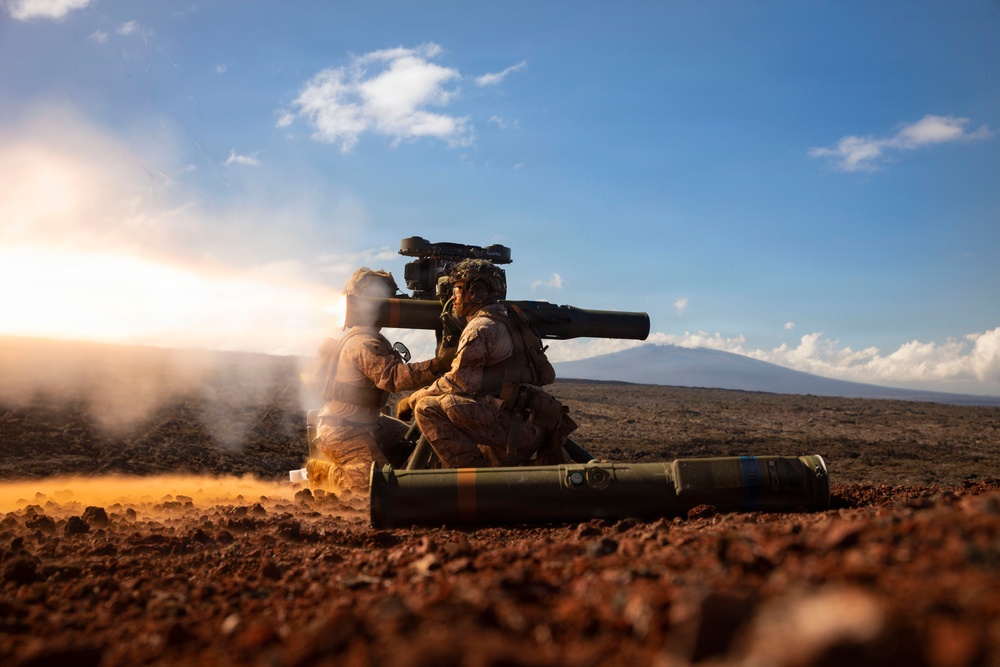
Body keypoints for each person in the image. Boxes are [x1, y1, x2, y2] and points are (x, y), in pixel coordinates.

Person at [398, 259, 576, 468]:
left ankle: (474, 481)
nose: (452, 298)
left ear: (475, 292)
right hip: (531, 423)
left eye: (456, 290)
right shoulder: (511, 321)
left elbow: (459, 383)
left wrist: (413, 398)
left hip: (516, 426)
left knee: (426, 408)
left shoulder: (481, 328)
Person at [301, 267, 446, 492]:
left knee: (414, 445)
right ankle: (323, 473)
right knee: (380, 487)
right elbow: (395, 378)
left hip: (370, 424)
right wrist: (440, 364)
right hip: (344, 431)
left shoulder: (369, 338)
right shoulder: (363, 344)